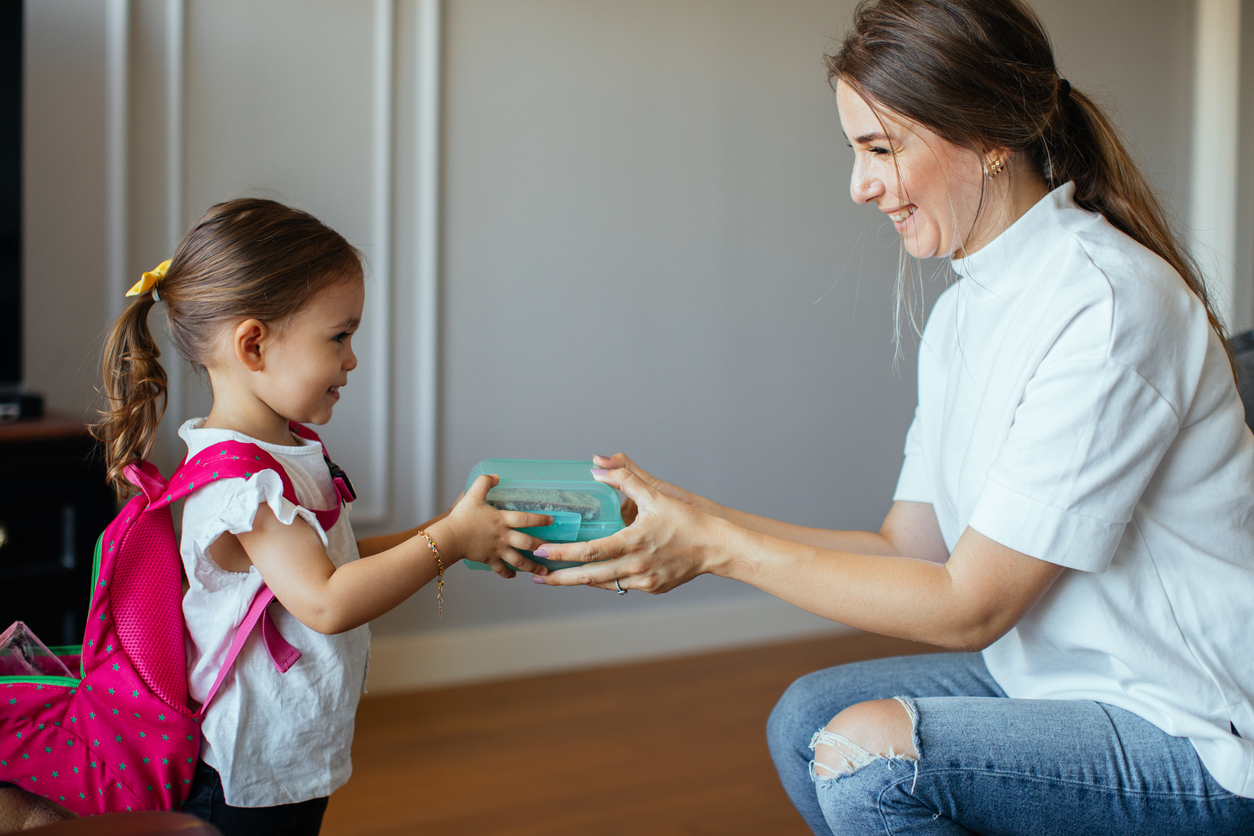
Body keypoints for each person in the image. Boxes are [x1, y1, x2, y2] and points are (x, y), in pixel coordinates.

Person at [531, 0, 1254, 832]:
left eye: (881, 149)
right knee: (809, 718)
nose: (860, 186)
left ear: (989, 136)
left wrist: (719, 549)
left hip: (1198, 734)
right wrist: (695, 522)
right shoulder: (963, 311)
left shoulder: (1106, 305)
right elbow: (911, 548)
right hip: (1056, 684)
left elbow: (968, 606)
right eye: (855, 151)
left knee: (869, 756)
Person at [94, 198, 551, 836]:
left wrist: (450, 529)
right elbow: (328, 601)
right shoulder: (243, 487)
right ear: (253, 344)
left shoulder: (277, 454)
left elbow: (338, 564)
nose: (352, 358)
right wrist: (446, 543)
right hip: (245, 778)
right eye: (339, 336)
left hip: (285, 756)